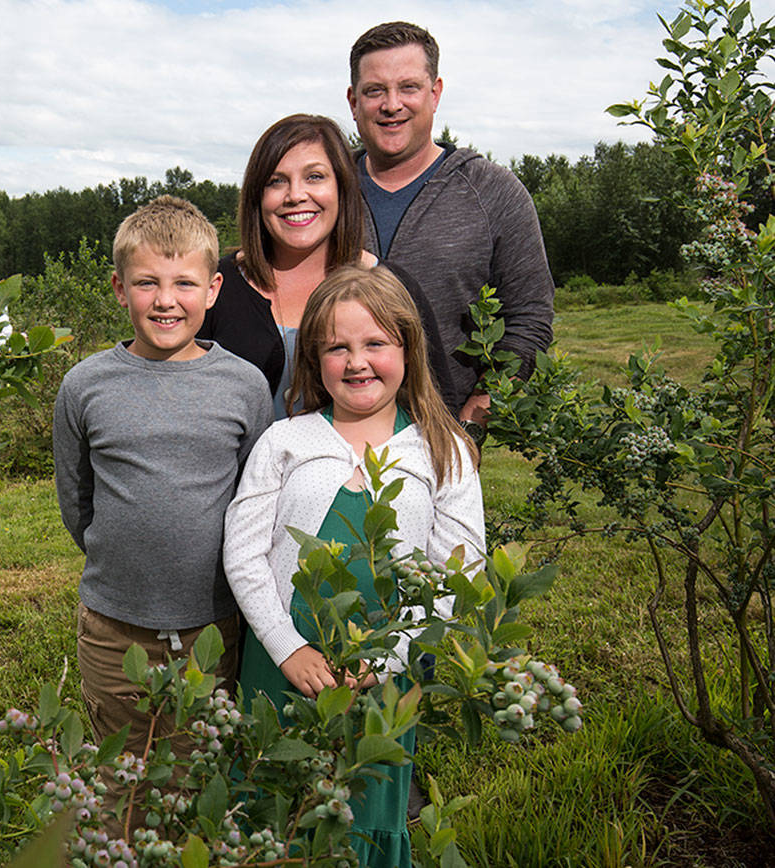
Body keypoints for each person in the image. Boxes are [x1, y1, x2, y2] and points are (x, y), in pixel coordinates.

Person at [223, 265, 485, 868]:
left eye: (375, 344)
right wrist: (288, 648)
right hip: (285, 659)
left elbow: (458, 568)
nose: (356, 361)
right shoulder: (285, 441)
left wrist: (391, 654)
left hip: (386, 665)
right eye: (337, 347)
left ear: (407, 349)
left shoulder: (441, 450)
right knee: (275, 805)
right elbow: (244, 552)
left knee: (362, 812)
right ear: (314, 361)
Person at [53, 195, 273, 823]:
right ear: (119, 289)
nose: (165, 299)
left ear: (214, 289)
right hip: (113, 625)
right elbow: (77, 501)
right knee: (121, 775)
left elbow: (252, 503)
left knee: (192, 774)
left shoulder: (244, 386)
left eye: (184, 282)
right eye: (147, 282)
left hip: (211, 626)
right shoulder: (86, 384)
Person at [348, 21, 554, 423]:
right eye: (375, 91)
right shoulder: (324, 192)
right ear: (354, 101)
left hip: (442, 442)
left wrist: (471, 425)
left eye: (408, 87)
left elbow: (530, 317)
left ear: (435, 93)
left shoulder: (494, 191)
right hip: (329, 438)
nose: (392, 104)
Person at [198, 114, 454, 421]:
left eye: (314, 177)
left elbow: (436, 407)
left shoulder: (393, 287)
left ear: (342, 187)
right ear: (256, 195)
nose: (295, 195)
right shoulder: (213, 286)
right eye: (276, 181)